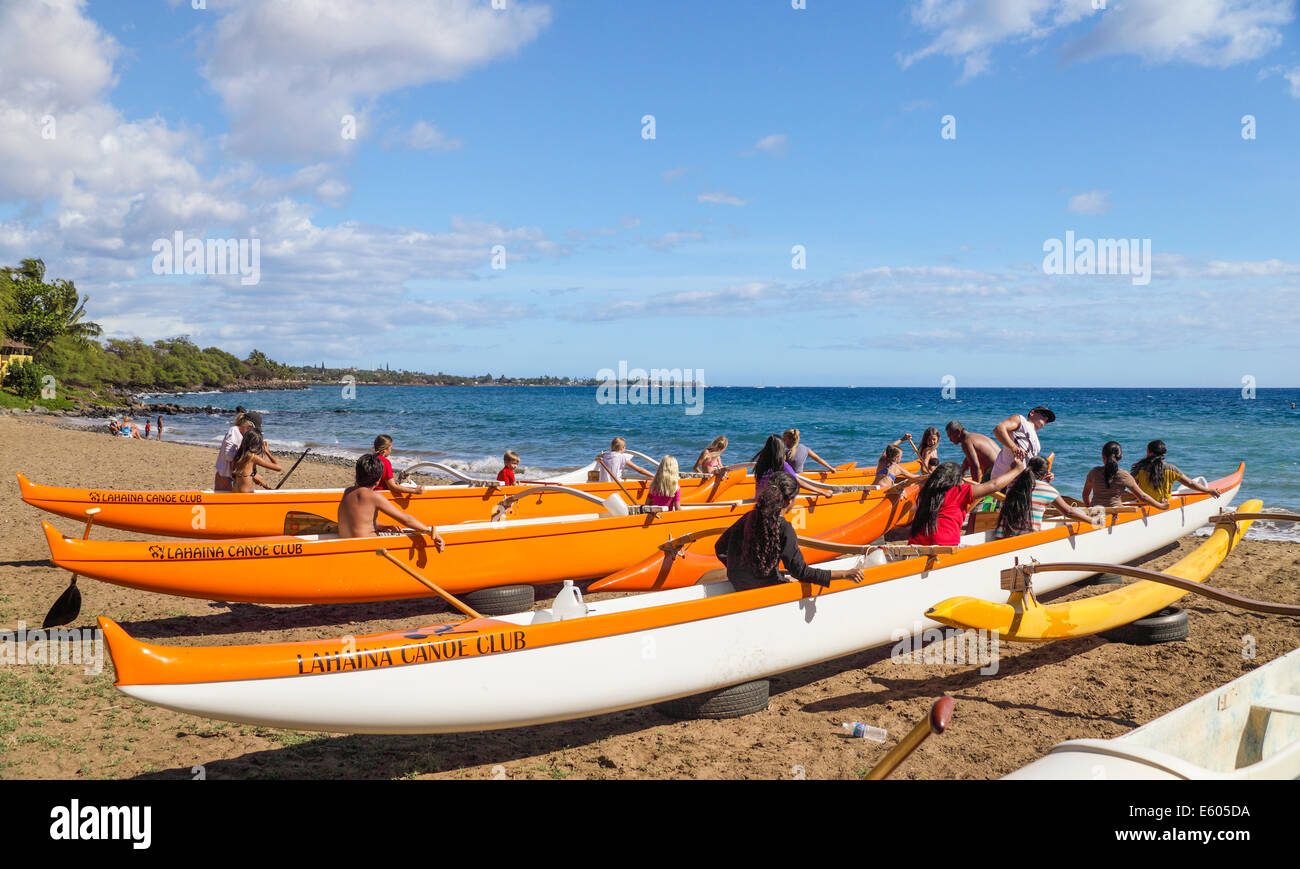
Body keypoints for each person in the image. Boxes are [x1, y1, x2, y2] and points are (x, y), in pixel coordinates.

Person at [715, 472, 863, 592]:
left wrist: (737, 569)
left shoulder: (750, 516)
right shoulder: (784, 528)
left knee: (782, 577)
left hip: (739, 583)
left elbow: (720, 547)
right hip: (764, 589)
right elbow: (800, 572)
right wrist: (844, 574)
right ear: (789, 501)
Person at [338, 454, 446, 548]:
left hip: (346, 545)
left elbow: (359, 520)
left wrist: (383, 526)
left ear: (357, 475)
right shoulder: (374, 496)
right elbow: (406, 520)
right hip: (367, 547)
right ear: (378, 481)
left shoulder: (347, 492)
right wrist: (431, 533)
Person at [908, 460, 1024, 546]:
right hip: (944, 544)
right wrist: (1016, 470)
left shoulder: (925, 493)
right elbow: (994, 485)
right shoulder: (958, 491)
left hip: (915, 543)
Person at [994, 457, 1097, 539]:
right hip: (1026, 540)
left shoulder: (1012, 483)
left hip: (1002, 537)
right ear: (1045, 474)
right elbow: (1068, 511)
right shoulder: (1048, 490)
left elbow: (1027, 483)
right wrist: (1092, 520)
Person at [1082, 442, 1168, 510]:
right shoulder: (1124, 475)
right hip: (1116, 513)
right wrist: (1161, 506)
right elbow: (1142, 496)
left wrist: (1090, 509)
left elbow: (1085, 495)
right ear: (1120, 457)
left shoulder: (1093, 472)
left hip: (1096, 512)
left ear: (1103, 457)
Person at [1131, 440, 1221, 502]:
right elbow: (1190, 483)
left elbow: (1131, 485)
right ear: (1164, 454)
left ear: (1149, 453)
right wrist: (1209, 490)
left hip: (1143, 505)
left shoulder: (1139, 468)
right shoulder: (1171, 469)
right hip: (1165, 505)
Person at [990, 406, 1055, 481]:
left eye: (1048, 420)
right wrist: (1013, 447)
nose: (1046, 419)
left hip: (1019, 482)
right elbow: (998, 429)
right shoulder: (1021, 421)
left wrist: (1042, 476)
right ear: (1032, 413)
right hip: (1002, 478)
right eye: (1044, 415)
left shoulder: (1037, 444)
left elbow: (1028, 466)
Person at [753, 434, 832, 497]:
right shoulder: (782, 465)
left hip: (759, 498)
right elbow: (797, 482)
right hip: (771, 501)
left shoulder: (761, 463)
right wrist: (822, 492)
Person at [214, 412, 254, 491]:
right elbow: (229, 455)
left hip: (229, 476)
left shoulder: (240, 434)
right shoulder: (234, 431)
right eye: (250, 429)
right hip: (225, 476)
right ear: (246, 425)